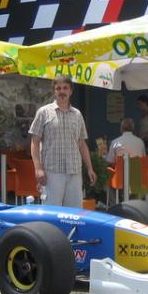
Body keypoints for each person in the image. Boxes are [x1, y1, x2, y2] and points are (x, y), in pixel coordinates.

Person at [29, 75, 96, 208]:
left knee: (74, 214)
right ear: (54, 91)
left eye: (65, 88)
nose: (62, 91)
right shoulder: (44, 112)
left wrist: (90, 168)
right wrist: (38, 168)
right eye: (58, 88)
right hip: (52, 172)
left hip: (74, 172)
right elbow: (34, 142)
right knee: (51, 213)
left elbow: (82, 143)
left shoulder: (77, 114)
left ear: (71, 91)